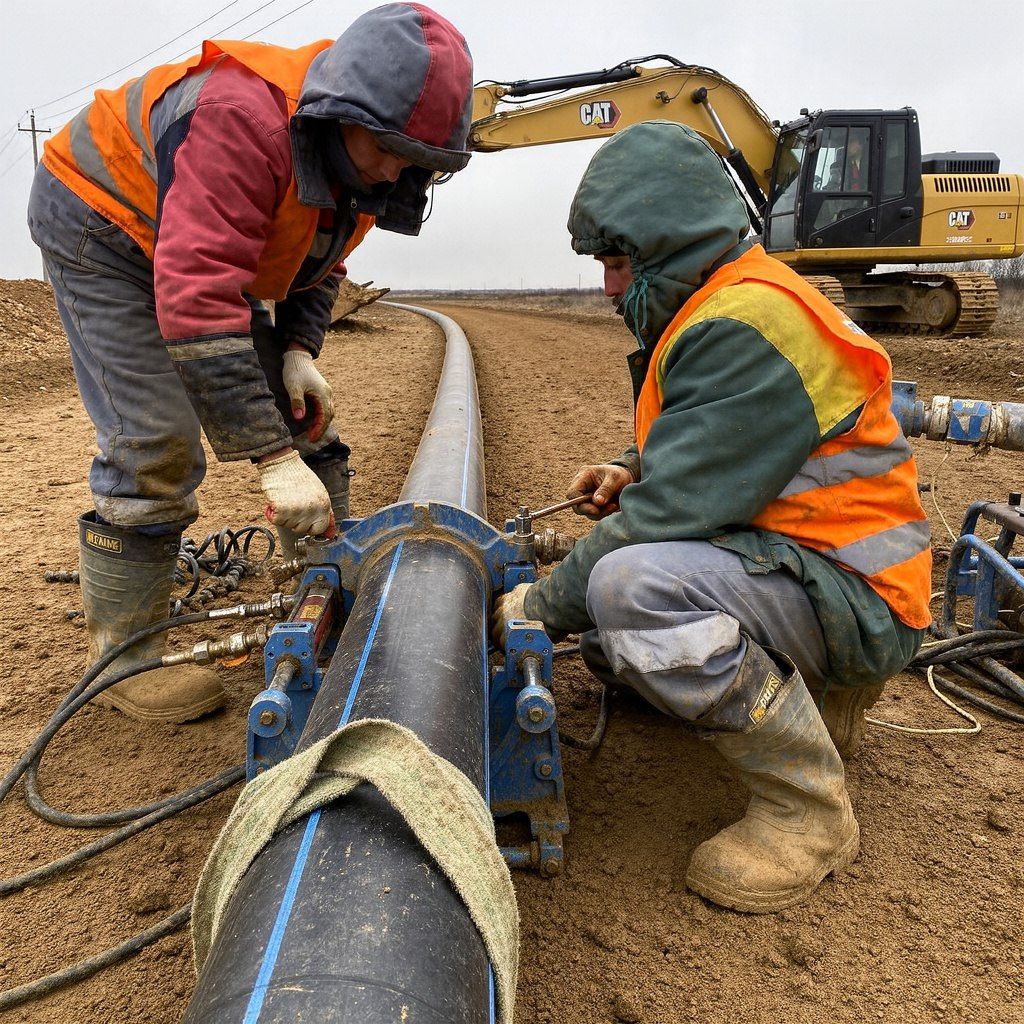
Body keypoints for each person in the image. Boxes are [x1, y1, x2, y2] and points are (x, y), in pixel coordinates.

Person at [492, 121, 931, 913]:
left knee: (630, 593)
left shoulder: (745, 325)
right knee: (610, 638)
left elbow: (665, 519)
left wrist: (533, 608)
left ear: (669, 245)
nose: (606, 286)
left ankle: (809, 813)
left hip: (860, 599)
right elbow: (720, 444)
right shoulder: (733, 302)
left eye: (618, 262)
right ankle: (817, 702)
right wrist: (630, 466)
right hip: (816, 568)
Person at [28, 4, 474, 724]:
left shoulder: (375, 159)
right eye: (387, 148)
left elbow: (319, 258)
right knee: (156, 439)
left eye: (415, 159)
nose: (395, 169)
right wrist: (270, 458)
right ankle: (122, 660)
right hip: (104, 219)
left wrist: (297, 351)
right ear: (341, 112)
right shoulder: (244, 122)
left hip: (198, 241)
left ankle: (327, 577)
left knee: (306, 417)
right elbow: (199, 296)